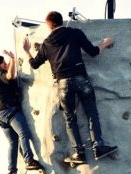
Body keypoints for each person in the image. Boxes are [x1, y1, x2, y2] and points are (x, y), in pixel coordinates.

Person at [23, 11, 117, 162]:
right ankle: (98, 147)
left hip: (63, 83)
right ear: (61, 21)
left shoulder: (47, 43)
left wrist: (27, 52)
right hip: (81, 78)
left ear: (49, 25)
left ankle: (79, 153)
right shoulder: (75, 33)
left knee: (70, 118)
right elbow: (93, 52)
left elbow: (34, 64)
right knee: (91, 113)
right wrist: (105, 43)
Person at [0, 50, 43, 174]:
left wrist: (11, 60)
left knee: (12, 143)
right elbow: (10, 75)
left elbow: (10, 71)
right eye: (3, 63)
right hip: (8, 110)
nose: (5, 64)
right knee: (23, 133)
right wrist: (12, 58)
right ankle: (29, 160)